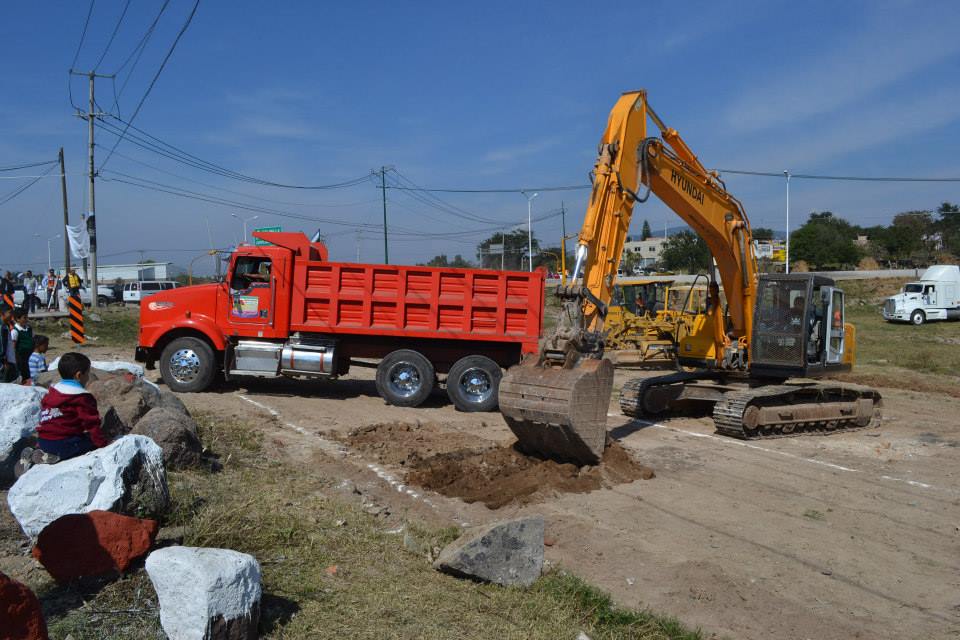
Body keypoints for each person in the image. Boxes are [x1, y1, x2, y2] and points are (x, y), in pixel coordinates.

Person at [35, 352, 109, 460]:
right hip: (63, 443)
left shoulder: (53, 391)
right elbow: (92, 424)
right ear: (79, 375)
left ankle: (39, 452)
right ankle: (54, 456)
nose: (88, 377)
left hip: (43, 440)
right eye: (87, 374)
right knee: (89, 442)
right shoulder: (81, 397)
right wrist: (103, 444)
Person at [11, 308, 34, 384]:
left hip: (30, 356)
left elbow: (33, 340)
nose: (27, 319)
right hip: (21, 358)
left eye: (27, 317)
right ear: (17, 319)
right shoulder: (15, 331)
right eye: (24, 317)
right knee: (24, 374)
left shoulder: (29, 329)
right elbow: (13, 347)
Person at [0, 304, 17, 382]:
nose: (12, 315)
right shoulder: (1, 327)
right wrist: (3, 363)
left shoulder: (6, 325)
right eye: (10, 313)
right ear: (2, 313)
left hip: (8, 361)